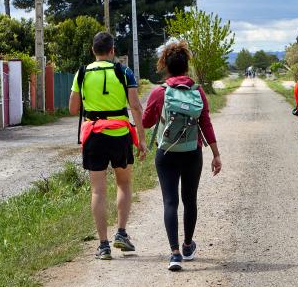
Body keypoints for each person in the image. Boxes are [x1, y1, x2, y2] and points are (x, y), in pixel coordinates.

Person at [143, 40, 222, 271]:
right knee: (190, 200)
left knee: (170, 201)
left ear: (165, 66)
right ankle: (188, 246)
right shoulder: (198, 92)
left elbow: (147, 122)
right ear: (187, 66)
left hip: (166, 153)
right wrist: (216, 155)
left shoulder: (160, 93)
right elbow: (206, 124)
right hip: (192, 153)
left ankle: (175, 254)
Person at [69, 32, 148, 260]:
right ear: (112, 50)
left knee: (98, 190)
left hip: (94, 134)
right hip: (120, 133)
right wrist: (141, 139)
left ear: (93, 51)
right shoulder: (124, 71)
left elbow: (73, 109)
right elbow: (135, 106)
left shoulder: (82, 73)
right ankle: (121, 234)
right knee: (123, 183)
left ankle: (103, 245)